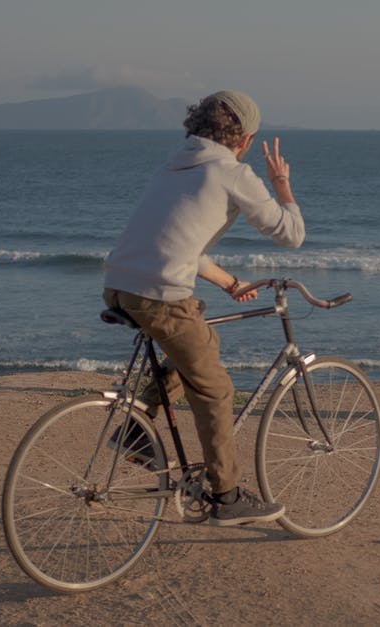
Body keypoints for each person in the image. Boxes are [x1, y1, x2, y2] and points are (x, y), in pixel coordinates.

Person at [102, 90, 304, 526]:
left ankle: (136, 428)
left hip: (119, 286)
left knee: (197, 344)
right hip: (159, 295)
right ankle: (227, 496)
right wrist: (282, 184)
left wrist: (230, 282)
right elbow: (291, 234)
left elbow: (177, 244)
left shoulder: (172, 166)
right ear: (246, 137)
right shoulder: (233, 172)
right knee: (215, 390)